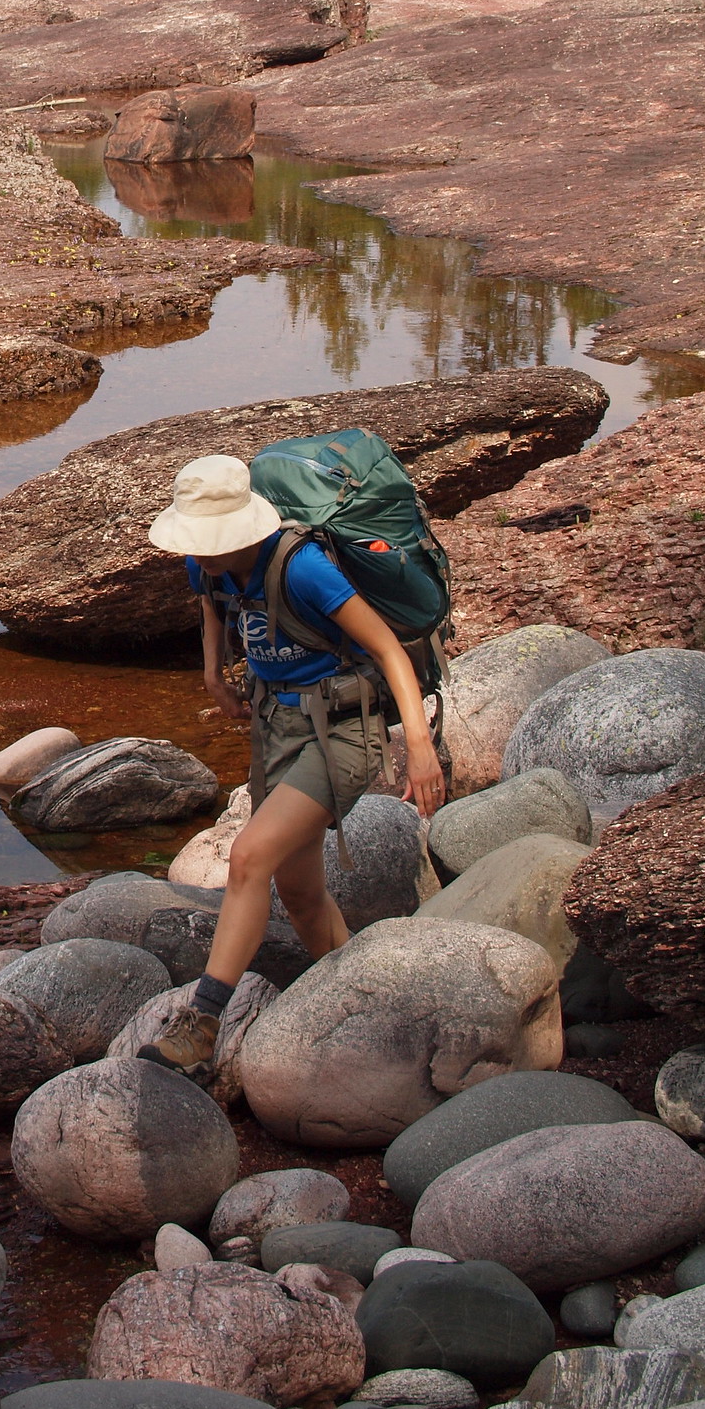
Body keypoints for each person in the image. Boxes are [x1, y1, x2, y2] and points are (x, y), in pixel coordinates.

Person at [137, 452, 445, 1076]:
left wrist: (418, 746)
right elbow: (210, 610)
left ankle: (202, 1023)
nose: (197, 553)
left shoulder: (302, 568)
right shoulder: (208, 566)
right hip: (274, 727)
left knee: (249, 856)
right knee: (300, 895)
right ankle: (366, 1006)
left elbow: (388, 649)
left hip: (342, 734)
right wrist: (212, 672)